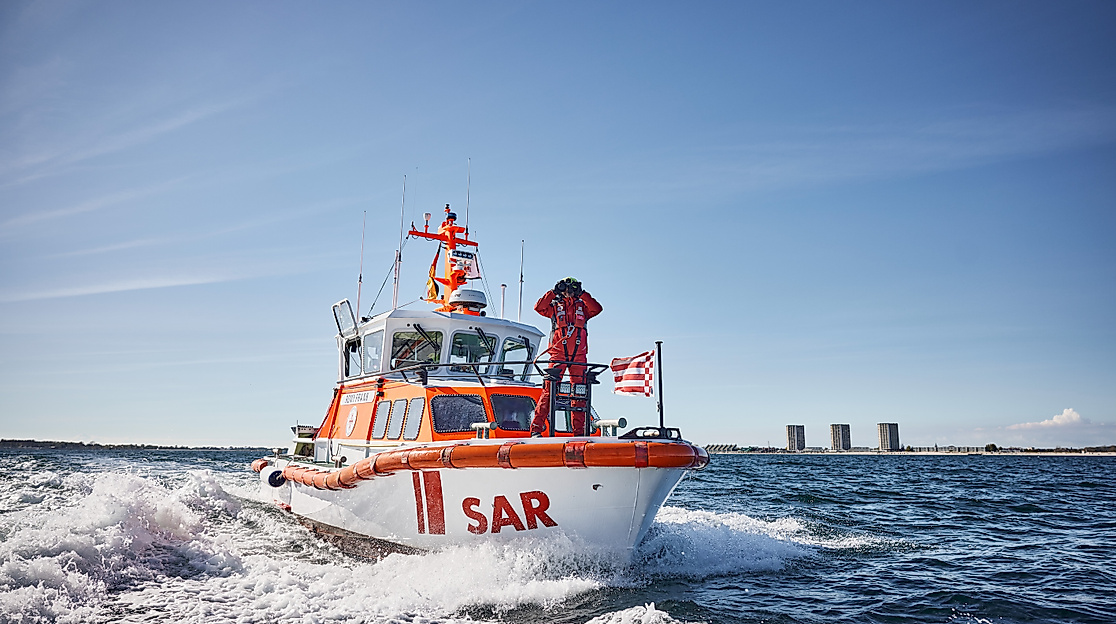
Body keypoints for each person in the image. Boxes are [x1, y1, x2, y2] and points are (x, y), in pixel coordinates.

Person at [530, 277, 603, 437]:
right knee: (549, 390)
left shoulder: (583, 307)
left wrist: (582, 294)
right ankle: (536, 428)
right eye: (565, 288)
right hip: (558, 353)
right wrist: (553, 292)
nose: (568, 291)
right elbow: (538, 307)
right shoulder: (555, 306)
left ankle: (579, 433)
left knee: (579, 392)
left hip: (579, 354)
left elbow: (597, 309)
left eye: (572, 288)